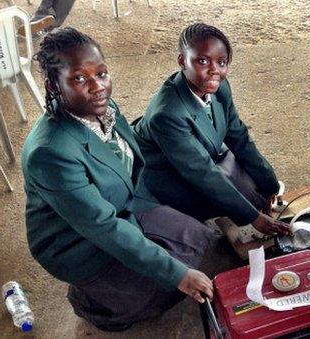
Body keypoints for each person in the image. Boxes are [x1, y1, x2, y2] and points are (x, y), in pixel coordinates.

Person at [22, 27, 213, 331]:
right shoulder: (50, 153)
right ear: (53, 85)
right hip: (78, 243)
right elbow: (103, 227)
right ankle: (89, 300)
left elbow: (130, 159)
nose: (97, 86)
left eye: (101, 73)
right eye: (79, 78)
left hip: (121, 204)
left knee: (198, 240)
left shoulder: (102, 107)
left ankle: (132, 269)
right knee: (160, 292)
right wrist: (176, 275)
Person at [133, 23, 290, 236]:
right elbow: (203, 173)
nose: (214, 70)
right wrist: (254, 218)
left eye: (221, 62)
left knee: (253, 190)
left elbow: (239, 137)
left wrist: (269, 183)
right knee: (212, 212)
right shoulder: (167, 114)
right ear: (182, 61)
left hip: (199, 157)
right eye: (203, 61)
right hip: (165, 172)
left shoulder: (219, 87)